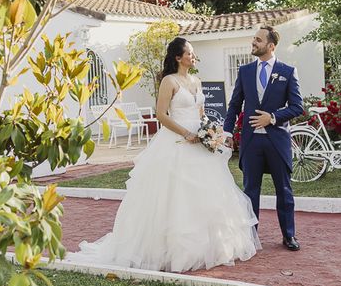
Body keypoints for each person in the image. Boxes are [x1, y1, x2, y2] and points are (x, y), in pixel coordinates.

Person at [66, 37, 260, 272]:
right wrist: (186, 133)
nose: (193, 55)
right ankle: (172, 251)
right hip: (176, 141)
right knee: (174, 197)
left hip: (200, 142)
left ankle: (212, 248)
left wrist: (209, 132)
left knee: (208, 195)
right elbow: (161, 114)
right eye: (189, 52)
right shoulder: (169, 81)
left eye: (193, 52)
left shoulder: (196, 81)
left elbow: (201, 113)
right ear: (178, 57)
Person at [223, 25, 304, 251]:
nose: (253, 43)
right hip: (251, 142)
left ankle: (289, 236)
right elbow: (235, 104)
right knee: (250, 191)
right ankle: (250, 237)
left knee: (284, 191)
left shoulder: (287, 71)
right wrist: (227, 131)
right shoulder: (245, 71)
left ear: (270, 45)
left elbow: (298, 107)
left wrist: (273, 118)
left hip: (277, 140)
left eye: (258, 40)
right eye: (253, 39)